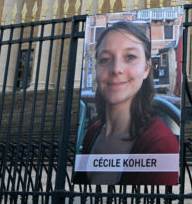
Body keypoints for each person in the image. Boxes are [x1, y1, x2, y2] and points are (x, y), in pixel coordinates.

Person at [74, 21, 179, 186]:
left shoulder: (160, 141)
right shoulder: (93, 132)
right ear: (97, 70)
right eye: (105, 59)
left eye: (130, 57)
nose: (116, 69)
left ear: (146, 69)